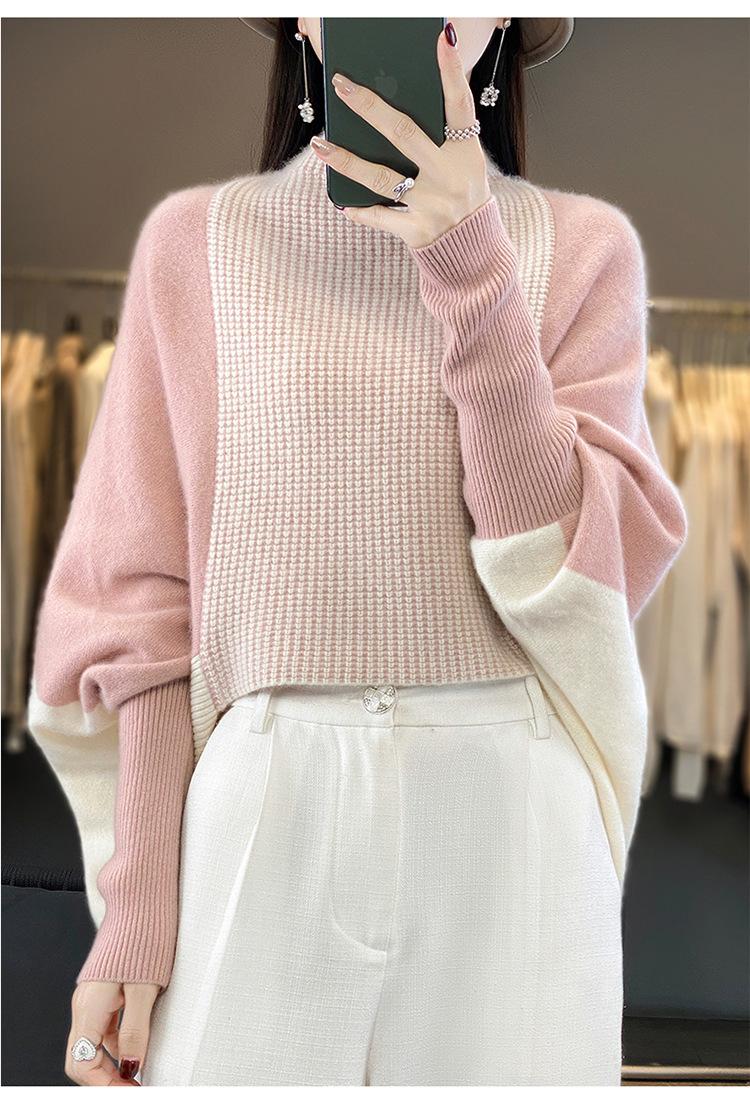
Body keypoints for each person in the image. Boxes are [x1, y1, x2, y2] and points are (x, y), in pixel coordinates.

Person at [27, 15, 688, 1087]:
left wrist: (470, 263)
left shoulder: (583, 247)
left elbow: (566, 560)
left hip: (509, 801)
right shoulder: (197, 244)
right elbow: (143, 606)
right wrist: (138, 911)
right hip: (266, 788)